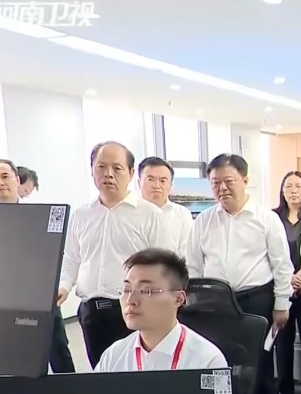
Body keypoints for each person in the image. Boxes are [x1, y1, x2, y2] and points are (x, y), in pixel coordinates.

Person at [188, 153, 291, 394]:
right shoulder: (204, 221)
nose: (222, 188)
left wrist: (281, 304)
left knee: (261, 368)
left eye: (228, 181)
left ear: (245, 180)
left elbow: (282, 265)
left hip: (256, 301)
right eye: (215, 183)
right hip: (214, 305)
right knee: (218, 368)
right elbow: (193, 265)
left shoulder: (265, 218)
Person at [59, 141, 165, 369]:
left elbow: (162, 267)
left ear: (130, 173)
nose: (108, 174)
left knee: (135, 373)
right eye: (101, 167)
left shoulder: (149, 214)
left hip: (133, 309)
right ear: (92, 171)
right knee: (100, 373)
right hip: (91, 312)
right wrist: (64, 286)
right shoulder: (81, 215)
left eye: (117, 168)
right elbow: (72, 257)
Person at [0, 157, 76, 374]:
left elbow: (61, 254)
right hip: (0, 301)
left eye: (5, 176)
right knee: (3, 356)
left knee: (57, 351)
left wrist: (61, 285)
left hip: (41, 296)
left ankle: (71, 392)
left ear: (17, 179)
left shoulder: (43, 215)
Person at [95, 249, 227, 373]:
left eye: (146, 291)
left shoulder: (207, 361)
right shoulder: (113, 356)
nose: (131, 300)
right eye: (127, 290)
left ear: (178, 299)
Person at [273, 171, 301, 394]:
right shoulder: (273, 218)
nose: (293, 191)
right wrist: (288, 277)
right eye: (288, 186)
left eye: (298, 186)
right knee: (283, 339)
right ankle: (284, 387)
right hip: (282, 286)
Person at [138, 157, 193, 254]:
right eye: (150, 179)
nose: (156, 185)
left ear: (170, 185)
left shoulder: (183, 214)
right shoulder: (129, 213)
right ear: (139, 183)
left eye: (162, 181)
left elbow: (186, 253)